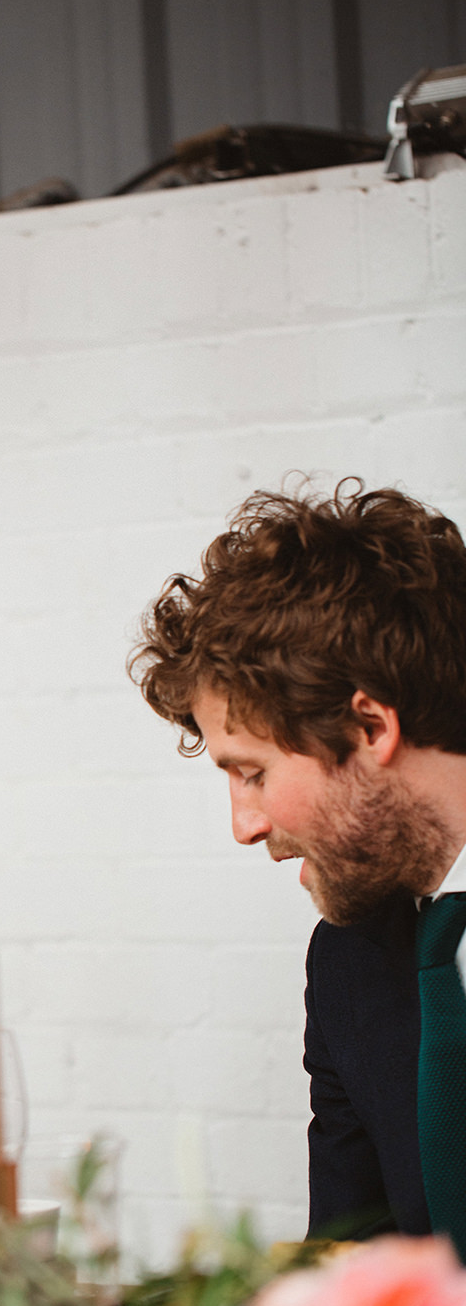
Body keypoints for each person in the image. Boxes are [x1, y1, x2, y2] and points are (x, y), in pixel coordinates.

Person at [131, 483, 466, 1248]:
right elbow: (347, 1278)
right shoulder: (351, 966)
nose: (245, 827)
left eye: (252, 773)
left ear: (369, 726)